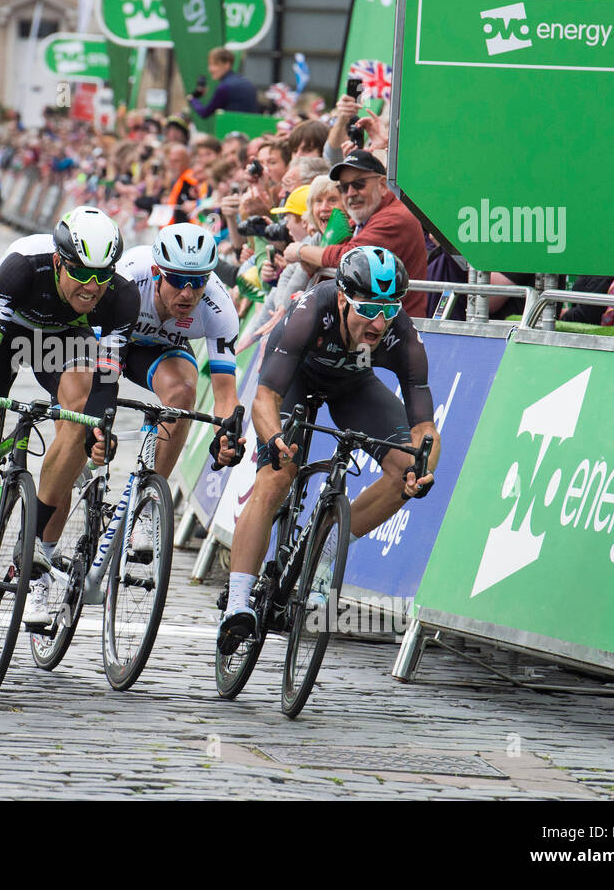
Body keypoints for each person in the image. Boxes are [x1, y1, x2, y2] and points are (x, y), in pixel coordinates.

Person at [0, 207, 138, 627]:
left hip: (66, 343)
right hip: (4, 337)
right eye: (81, 274)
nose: (92, 288)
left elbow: (107, 379)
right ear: (58, 261)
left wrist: (98, 427)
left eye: (101, 276)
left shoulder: (121, 297)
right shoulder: (22, 268)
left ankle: (34, 563)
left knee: (77, 426)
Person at [219, 247, 441, 650]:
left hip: (352, 387)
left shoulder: (401, 333)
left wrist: (423, 468)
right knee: (276, 478)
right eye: (369, 307)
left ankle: (324, 552)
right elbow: (265, 395)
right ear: (342, 299)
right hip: (294, 382)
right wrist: (273, 442)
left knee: (404, 471)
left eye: (389, 308)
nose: (379, 321)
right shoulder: (310, 313)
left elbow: (424, 425)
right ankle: (237, 603)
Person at [115, 223, 244, 514]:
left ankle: (148, 506)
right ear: (157, 272)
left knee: (184, 393)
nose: (187, 293)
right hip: (115, 338)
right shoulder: (129, 276)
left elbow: (225, 394)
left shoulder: (219, 308)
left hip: (161, 349)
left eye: (197, 281)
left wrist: (225, 435)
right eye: (177, 279)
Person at [282, 150, 429, 317]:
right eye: (344, 187)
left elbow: (350, 257)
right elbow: (330, 255)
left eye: (359, 183)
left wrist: (301, 251)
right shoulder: (363, 218)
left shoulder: (395, 218)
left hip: (392, 327)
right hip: (370, 321)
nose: (351, 193)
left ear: (382, 185)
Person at [188, 47, 259, 117]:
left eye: (215, 64)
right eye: (209, 64)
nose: (210, 69)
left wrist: (192, 98)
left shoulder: (224, 87)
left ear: (227, 65)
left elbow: (204, 113)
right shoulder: (246, 82)